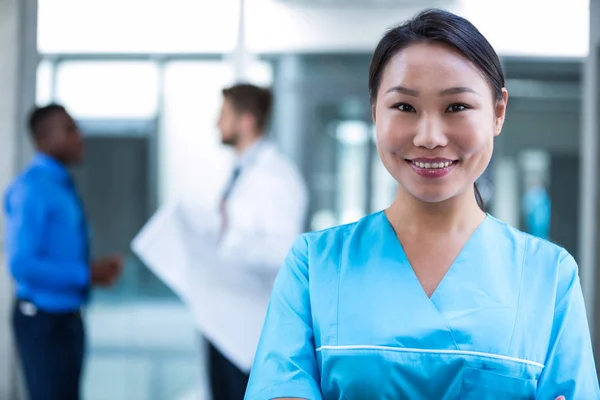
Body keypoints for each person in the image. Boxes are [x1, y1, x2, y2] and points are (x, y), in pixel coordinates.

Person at [245, 9, 599, 400]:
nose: (429, 137)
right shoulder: (314, 266)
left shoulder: (549, 277)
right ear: (374, 111)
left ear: (498, 112)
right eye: (405, 107)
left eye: (456, 107)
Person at [194, 84, 308, 400]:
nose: (216, 123)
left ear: (246, 121)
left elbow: (284, 251)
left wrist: (227, 254)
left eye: (223, 115)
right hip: (225, 322)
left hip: (250, 328)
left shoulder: (277, 177)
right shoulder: (241, 171)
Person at [4, 104, 123, 400]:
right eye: (69, 130)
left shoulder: (60, 183)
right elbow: (22, 264)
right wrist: (85, 273)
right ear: (44, 138)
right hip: (43, 321)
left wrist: (94, 271)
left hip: (69, 317)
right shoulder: (31, 188)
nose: (79, 137)